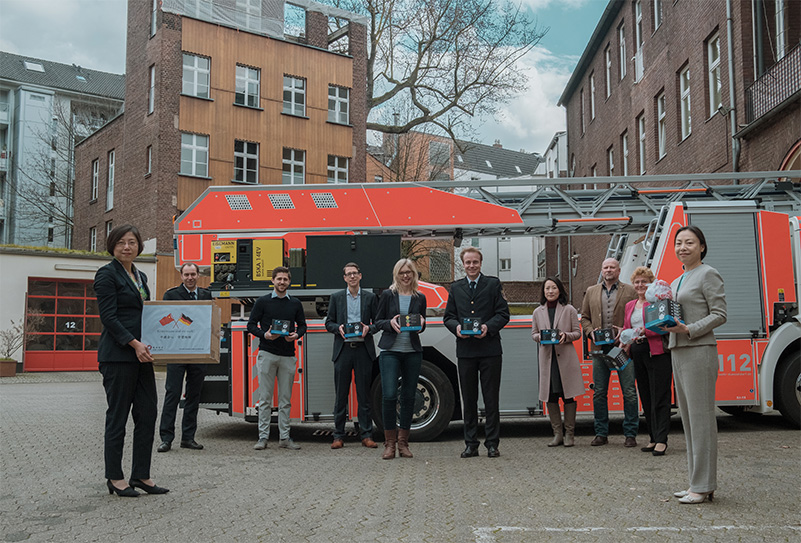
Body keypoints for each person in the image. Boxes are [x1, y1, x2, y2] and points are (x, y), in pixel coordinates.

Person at [94, 224, 168, 497]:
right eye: (121, 242)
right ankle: (115, 477)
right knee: (118, 417)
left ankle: (141, 475)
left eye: (132, 242)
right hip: (118, 356)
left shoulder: (140, 275)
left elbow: (146, 314)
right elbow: (109, 317)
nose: (127, 247)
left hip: (142, 357)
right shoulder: (106, 274)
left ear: (139, 246)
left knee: (147, 414)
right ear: (112, 245)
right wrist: (134, 343)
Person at [663, 226, 726, 504]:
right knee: (688, 421)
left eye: (689, 242)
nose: (683, 247)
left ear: (702, 246)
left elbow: (720, 314)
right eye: (679, 243)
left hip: (699, 350)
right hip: (678, 350)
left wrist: (689, 329)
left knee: (701, 420)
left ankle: (703, 485)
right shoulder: (677, 280)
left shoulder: (708, 273)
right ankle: (696, 483)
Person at [444, 247, 510, 458]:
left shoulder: (492, 284)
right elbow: (448, 317)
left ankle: (492, 444)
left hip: (490, 350)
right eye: (468, 262)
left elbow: (503, 314)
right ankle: (471, 443)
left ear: (480, 263)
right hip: (466, 352)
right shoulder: (456, 288)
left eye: (475, 262)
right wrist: (456, 328)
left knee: (491, 399)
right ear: (463, 264)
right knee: (469, 400)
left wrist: (487, 327)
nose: (471, 266)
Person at [580, 258, 639, 447]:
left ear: (619, 270)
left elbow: (636, 316)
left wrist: (625, 331)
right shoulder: (591, 291)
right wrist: (590, 333)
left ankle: (630, 434)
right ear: (601, 270)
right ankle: (601, 433)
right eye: (605, 267)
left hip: (622, 348)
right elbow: (585, 318)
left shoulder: (630, 291)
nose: (608, 270)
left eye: (612, 267)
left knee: (629, 392)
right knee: (599, 392)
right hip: (599, 348)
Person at [247, 266, 307, 451]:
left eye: (285, 279)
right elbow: (251, 325)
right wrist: (264, 335)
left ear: (289, 282)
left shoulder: (295, 303)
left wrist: (296, 335)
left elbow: (303, 326)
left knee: (285, 400)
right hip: (267, 353)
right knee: (265, 399)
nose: (282, 282)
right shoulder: (262, 302)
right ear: (272, 280)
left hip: (288, 356)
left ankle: (284, 438)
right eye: (279, 279)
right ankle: (262, 437)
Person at [375, 259, 427, 459]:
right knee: (389, 395)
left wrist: (422, 323)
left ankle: (403, 443)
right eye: (402, 272)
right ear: (396, 274)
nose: (406, 276)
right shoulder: (388, 295)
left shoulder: (420, 297)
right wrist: (390, 323)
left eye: (409, 272)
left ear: (414, 274)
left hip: (412, 351)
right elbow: (378, 322)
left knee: (409, 397)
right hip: (390, 351)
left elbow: (421, 322)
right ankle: (390, 444)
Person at [157, 263, 211, 453]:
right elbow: (166, 320)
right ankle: (166, 438)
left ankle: (188, 438)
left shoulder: (206, 295)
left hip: (198, 352)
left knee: (193, 396)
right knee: (172, 394)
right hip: (177, 351)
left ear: (198, 275)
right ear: (181, 276)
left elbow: (208, 322)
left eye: (193, 274)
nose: (190, 278)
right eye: (186, 274)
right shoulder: (170, 295)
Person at [324, 262, 379, 449]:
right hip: (343, 350)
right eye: (349, 274)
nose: (352, 276)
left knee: (364, 396)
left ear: (360, 276)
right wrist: (337, 328)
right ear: (344, 278)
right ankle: (338, 436)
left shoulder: (370, 297)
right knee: (341, 396)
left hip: (363, 350)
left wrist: (369, 328)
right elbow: (328, 323)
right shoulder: (336, 297)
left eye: (355, 273)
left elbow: (378, 322)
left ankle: (366, 435)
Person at [624, 267, 672, 457]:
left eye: (644, 281)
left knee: (660, 396)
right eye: (637, 282)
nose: (640, 285)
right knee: (646, 396)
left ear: (651, 284)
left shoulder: (657, 302)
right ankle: (653, 437)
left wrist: (645, 331)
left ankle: (662, 440)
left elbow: (665, 326)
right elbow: (628, 328)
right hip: (638, 352)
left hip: (657, 352)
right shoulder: (630, 305)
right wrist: (625, 336)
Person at [531, 277, 584, 447]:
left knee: (568, 395)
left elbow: (577, 333)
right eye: (547, 288)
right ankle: (557, 434)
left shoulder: (569, 309)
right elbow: (533, 334)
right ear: (543, 291)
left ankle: (570, 434)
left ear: (559, 290)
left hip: (566, 359)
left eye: (554, 288)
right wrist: (541, 337)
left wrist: (565, 336)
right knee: (551, 396)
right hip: (548, 360)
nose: (550, 291)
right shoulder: (537, 312)